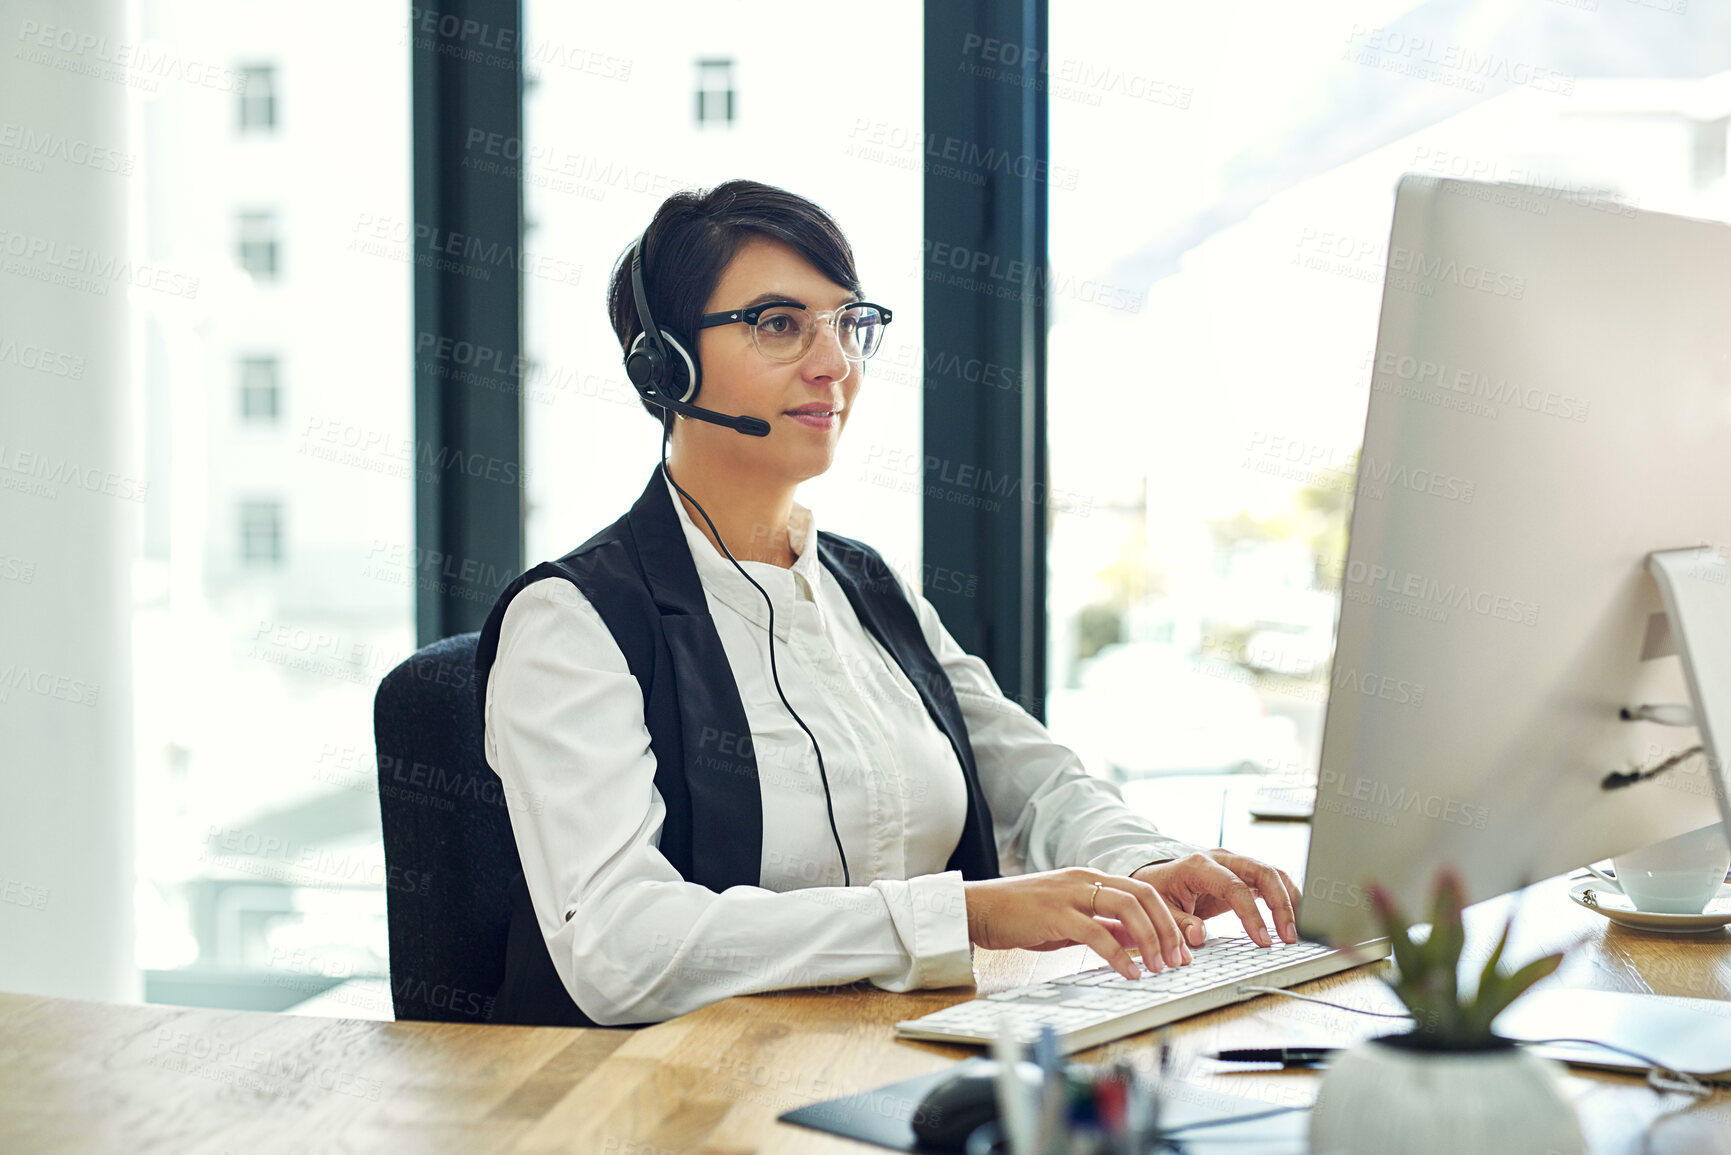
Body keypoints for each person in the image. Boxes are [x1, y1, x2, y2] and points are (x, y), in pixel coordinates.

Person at [475, 179, 1301, 1028]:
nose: (834, 363)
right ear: (665, 363)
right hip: (673, 1105)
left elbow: (1033, 782)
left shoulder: (866, 587)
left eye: (847, 323)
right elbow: (619, 946)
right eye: (779, 324)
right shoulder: (573, 623)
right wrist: (967, 912)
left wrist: (1145, 864)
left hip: (893, 1061)